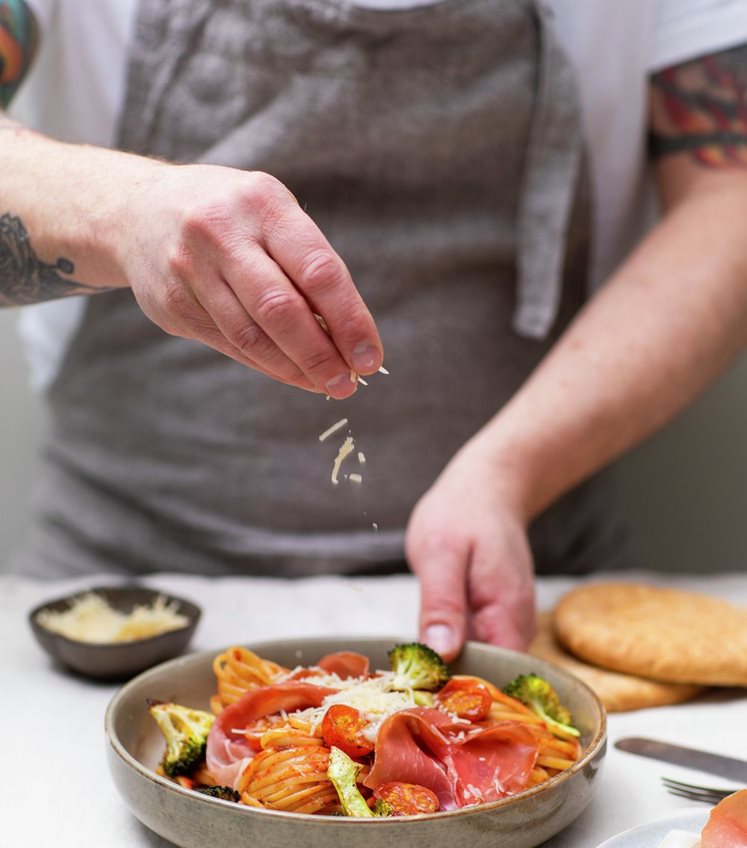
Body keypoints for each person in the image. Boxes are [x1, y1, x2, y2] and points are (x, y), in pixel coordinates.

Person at [1, 0, 746, 660]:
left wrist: (510, 470)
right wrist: (128, 212)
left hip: (524, 592)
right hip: (126, 599)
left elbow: (728, 198)